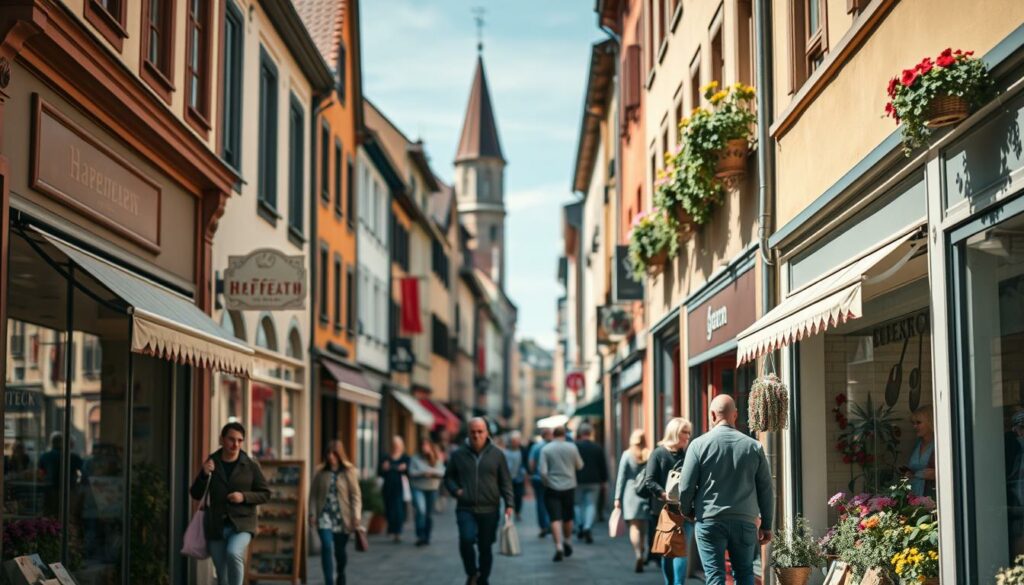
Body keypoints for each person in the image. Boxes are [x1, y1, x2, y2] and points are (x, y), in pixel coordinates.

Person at [677, 395, 773, 585]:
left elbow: (686, 486)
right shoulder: (754, 447)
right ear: (735, 415)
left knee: (714, 575)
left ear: (713, 415)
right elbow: (766, 489)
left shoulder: (698, 445)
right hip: (745, 521)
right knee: (745, 573)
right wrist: (767, 524)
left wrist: (687, 510)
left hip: (710, 520)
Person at [190, 423, 270, 585]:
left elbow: (265, 494)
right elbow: (195, 494)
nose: (236, 444)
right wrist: (204, 474)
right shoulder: (212, 462)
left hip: (242, 523)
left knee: (234, 553)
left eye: (240, 441)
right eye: (231, 439)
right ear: (222, 439)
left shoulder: (250, 464)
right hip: (216, 525)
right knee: (222, 575)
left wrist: (244, 497)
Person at [444, 418, 514, 585]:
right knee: (466, 540)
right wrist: (456, 490)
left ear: (487, 432)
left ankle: (483, 578)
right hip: (465, 507)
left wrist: (509, 503)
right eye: (473, 432)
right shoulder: (458, 454)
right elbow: (448, 478)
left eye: (480, 431)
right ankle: (472, 573)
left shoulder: (497, 455)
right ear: (468, 432)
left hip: (489, 508)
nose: (476, 435)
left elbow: (505, 481)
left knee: (485, 546)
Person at [644, 417, 694, 585]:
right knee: (667, 550)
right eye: (684, 432)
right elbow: (649, 480)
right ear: (674, 433)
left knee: (681, 549)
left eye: (689, 432)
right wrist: (664, 494)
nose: (688, 436)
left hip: (685, 510)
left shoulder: (688, 454)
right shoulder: (659, 453)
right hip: (664, 511)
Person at [309, 439, 362, 585]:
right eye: (328, 454)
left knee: (340, 551)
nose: (331, 457)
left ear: (340, 455)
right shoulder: (320, 472)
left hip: (342, 517)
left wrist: (356, 515)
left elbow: (355, 495)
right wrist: (312, 514)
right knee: (326, 546)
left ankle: (341, 573)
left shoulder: (349, 471)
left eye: (334, 454)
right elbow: (313, 495)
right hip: (324, 515)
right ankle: (329, 581)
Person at [539, 426, 584, 562]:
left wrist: (546, 482)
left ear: (553, 434)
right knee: (568, 517)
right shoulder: (572, 447)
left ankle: (558, 546)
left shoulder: (546, 449)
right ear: (564, 434)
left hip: (552, 487)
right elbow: (580, 465)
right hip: (569, 486)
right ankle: (568, 541)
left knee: (555, 518)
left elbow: (542, 471)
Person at [615, 429, 653, 573]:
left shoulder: (627, 454)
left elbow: (621, 477)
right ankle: (644, 549)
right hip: (646, 493)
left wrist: (617, 497)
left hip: (630, 493)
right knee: (644, 526)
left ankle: (638, 553)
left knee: (634, 527)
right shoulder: (649, 453)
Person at [574, 423, 609, 544]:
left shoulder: (575, 446)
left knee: (577, 505)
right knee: (591, 505)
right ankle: (587, 527)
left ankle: (580, 525)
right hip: (594, 481)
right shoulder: (597, 447)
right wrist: (604, 480)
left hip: (577, 480)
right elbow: (603, 465)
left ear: (580, 433)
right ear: (590, 433)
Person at [409, 439, 446, 546]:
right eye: (422, 446)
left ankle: (427, 536)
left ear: (430, 446)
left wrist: (431, 472)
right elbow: (411, 472)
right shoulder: (415, 458)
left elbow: (443, 472)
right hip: (418, 487)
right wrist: (423, 473)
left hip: (432, 488)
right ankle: (420, 535)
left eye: (426, 445)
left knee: (428, 514)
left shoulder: (436, 457)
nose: (424, 448)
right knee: (421, 510)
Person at [378, 436, 411, 543]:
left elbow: (410, 472)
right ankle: (391, 528)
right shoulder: (386, 457)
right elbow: (380, 472)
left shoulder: (405, 458)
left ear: (402, 446)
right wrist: (384, 468)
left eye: (398, 445)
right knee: (389, 509)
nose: (396, 447)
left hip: (400, 488)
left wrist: (405, 469)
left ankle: (398, 532)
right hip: (387, 487)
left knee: (399, 511)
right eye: (394, 445)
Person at [904, 406, 936, 497]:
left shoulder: (940, 444)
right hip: (914, 495)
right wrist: (910, 474)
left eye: (918, 423)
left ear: (930, 422)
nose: (914, 426)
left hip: (931, 496)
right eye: (913, 423)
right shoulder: (917, 444)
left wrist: (938, 474)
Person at [528, 428, 553, 537]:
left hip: (538, 478)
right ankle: (550, 524)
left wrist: (533, 473)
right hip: (552, 479)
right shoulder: (553, 447)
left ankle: (544, 526)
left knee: (540, 503)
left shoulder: (536, 446)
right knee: (551, 502)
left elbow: (531, 463)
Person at [503, 431, 527, 521]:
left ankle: (517, 512)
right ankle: (508, 513)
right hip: (508, 479)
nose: (515, 442)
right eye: (514, 440)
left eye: (517, 440)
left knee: (518, 497)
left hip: (519, 478)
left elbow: (525, 463)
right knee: (508, 497)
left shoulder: (522, 450)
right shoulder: (505, 452)